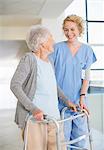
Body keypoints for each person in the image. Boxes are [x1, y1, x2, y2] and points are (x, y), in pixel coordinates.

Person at [10, 25, 77, 150]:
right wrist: (34, 109)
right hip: (35, 121)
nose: (54, 41)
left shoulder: (49, 61)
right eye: (50, 37)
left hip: (54, 119)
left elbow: (54, 86)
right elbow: (15, 85)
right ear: (41, 42)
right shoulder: (29, 59)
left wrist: (67, 101)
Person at [50, 15, 97, 149]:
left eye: (72, 29)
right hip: (60, 100)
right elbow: (50, 74)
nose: (69, 33)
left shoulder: (87, 50)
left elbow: (86, 76)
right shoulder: (56, 48)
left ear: (79, 29)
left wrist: (82, 96)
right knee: (62, 139)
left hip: (78, 101)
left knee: (80, 139)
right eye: (66, 30)